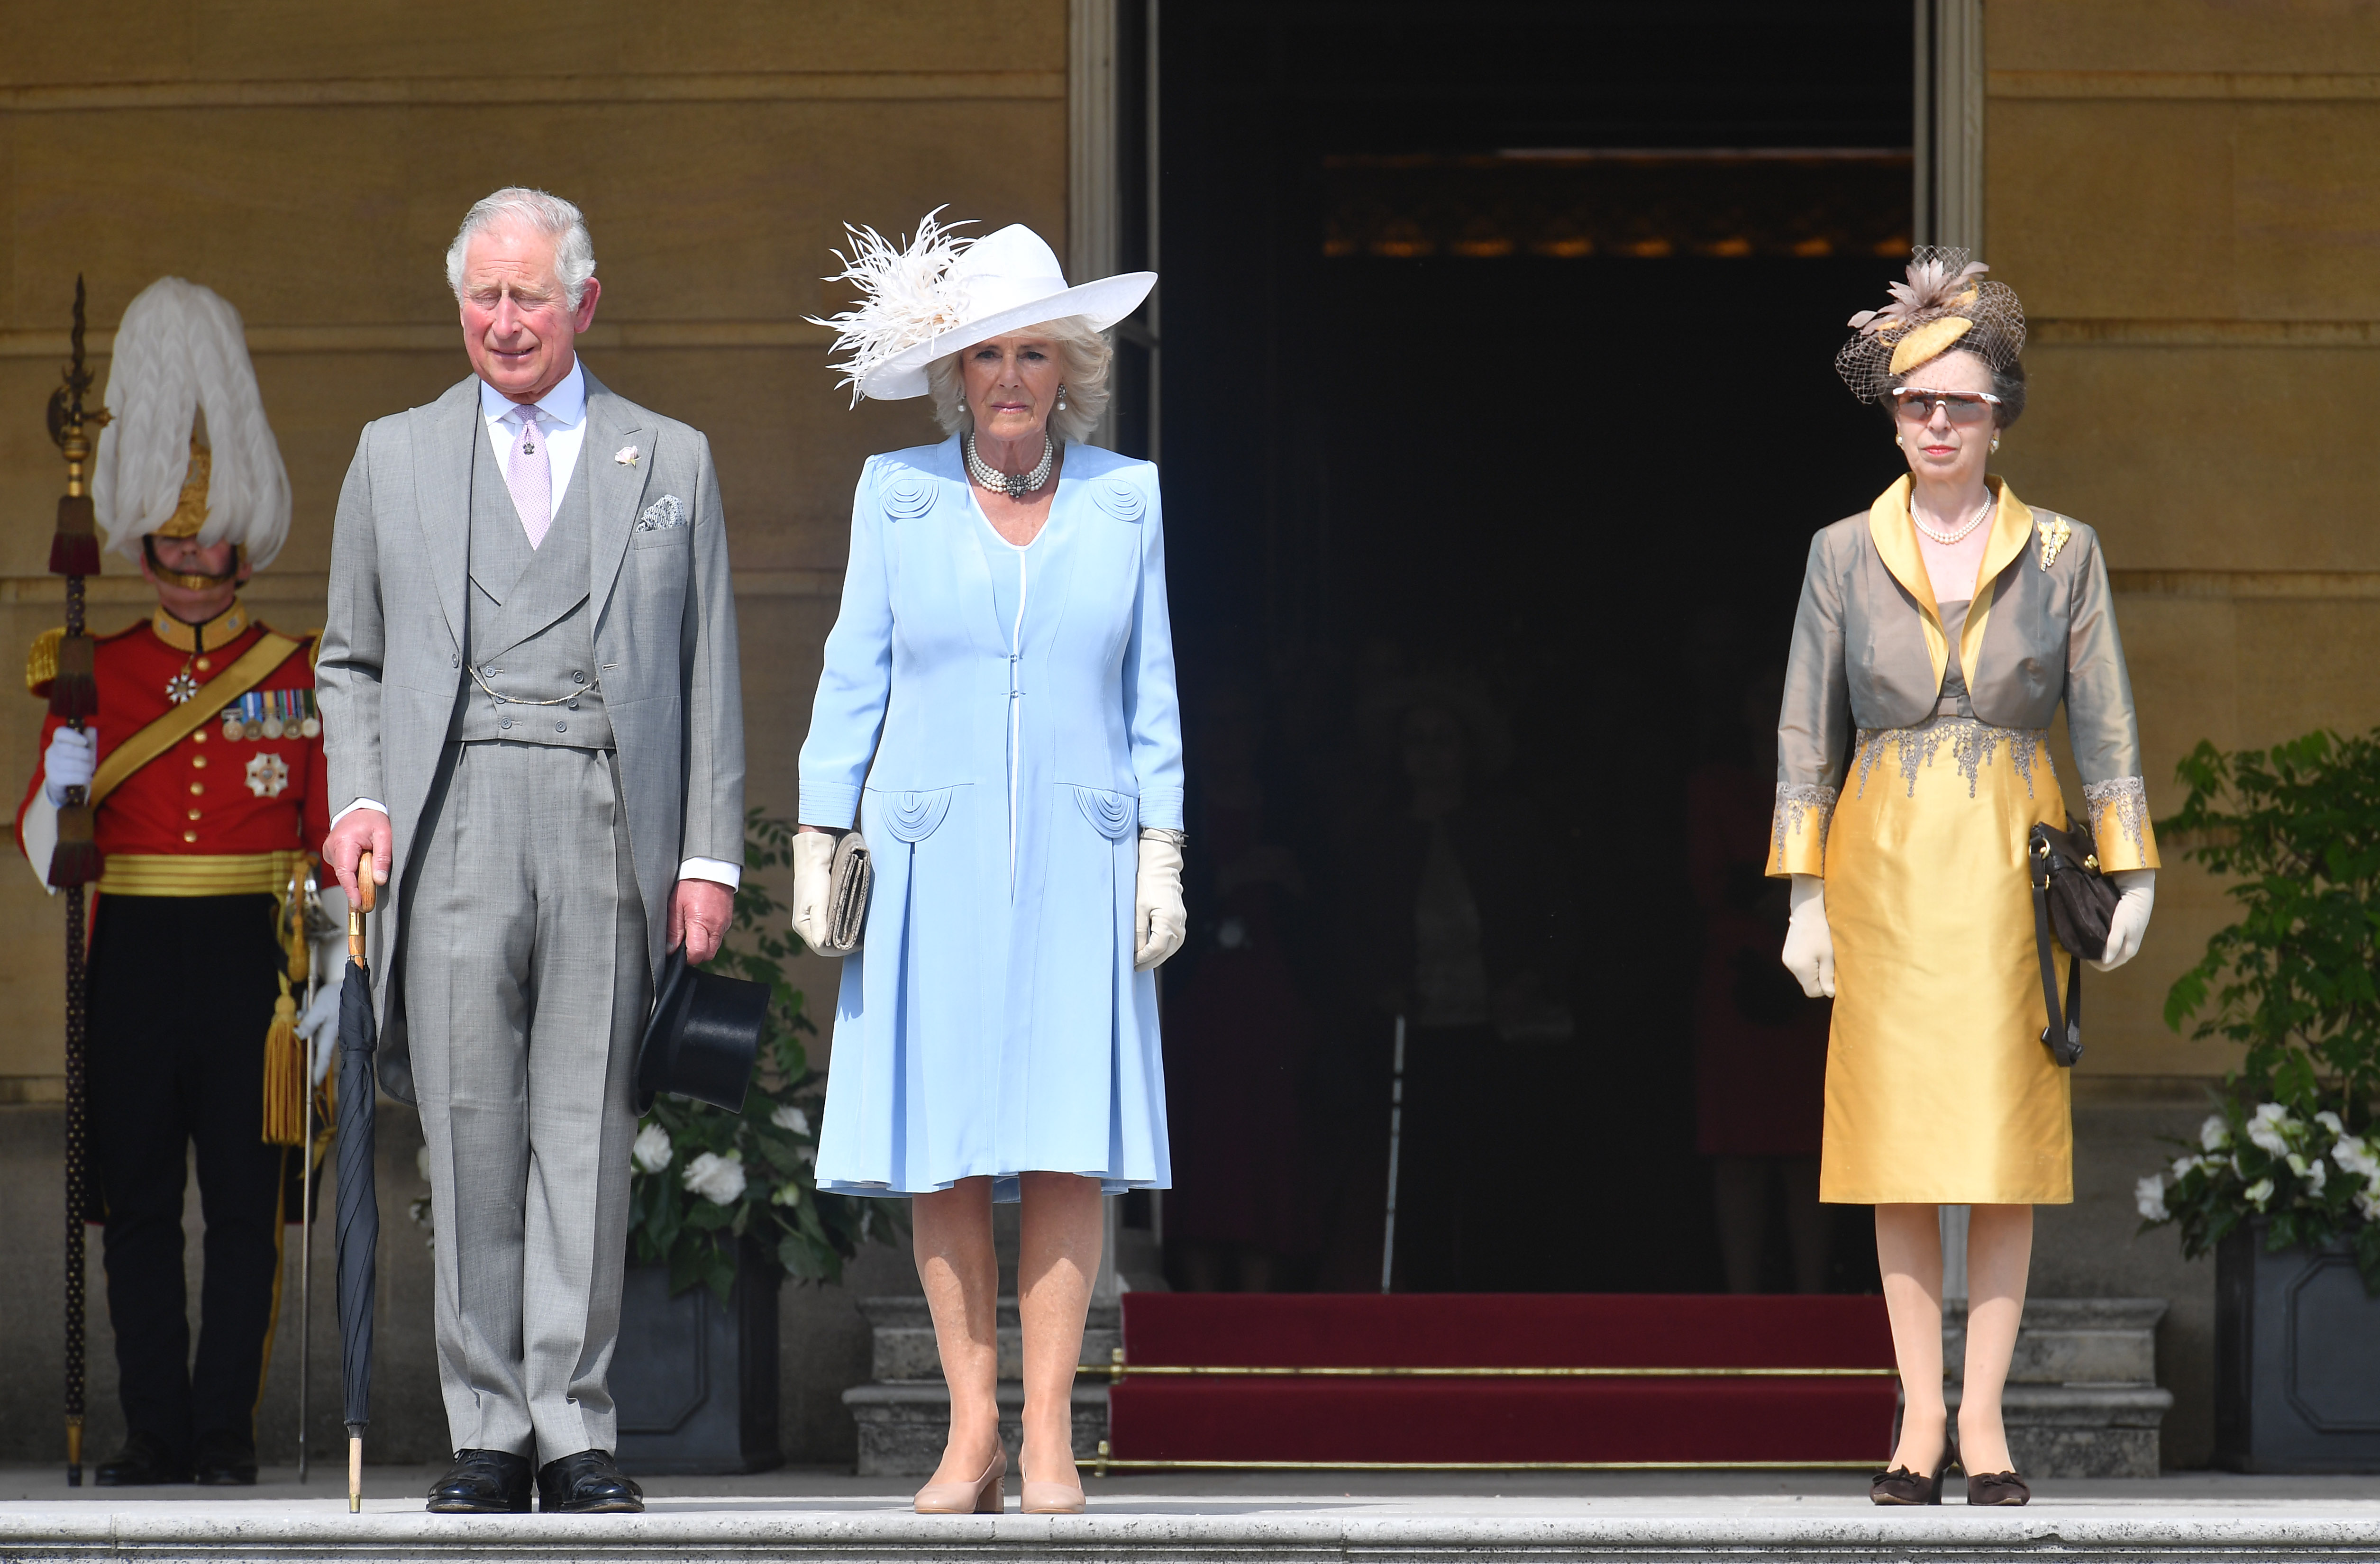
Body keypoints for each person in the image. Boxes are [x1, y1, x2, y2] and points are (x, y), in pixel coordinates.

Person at [316, 188, 744, 1517]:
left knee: (584, 1131)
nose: (504, 322)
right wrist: (359, 796)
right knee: (469, 1130)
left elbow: (707, 668)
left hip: (611, 821)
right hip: (449, 823)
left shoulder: (666, 460)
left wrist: (710, 857)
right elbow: (349, 658)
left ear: (585, 303)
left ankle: (576, 1425)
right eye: (483, 298)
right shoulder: (391, 453)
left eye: (529, 297)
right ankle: (488, 1425)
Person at [792, 214, 1178, 1516]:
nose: (1009, 376)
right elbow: (854, 673)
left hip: (1080, 849)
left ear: (1067, 364)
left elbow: (1152, 692)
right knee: (945, 1147)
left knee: (1069, 1147)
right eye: (983, 355)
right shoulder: (894, 492)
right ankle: (968, 1435)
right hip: (925, 855)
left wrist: (1160, 849)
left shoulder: (1128, 494)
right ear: (951, 374)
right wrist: (815, 827)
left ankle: (1054, 1436)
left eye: (1031, 351)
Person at [1770, 248, 2158, 1507]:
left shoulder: (2062, 551)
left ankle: (1984, 1421)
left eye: (1959, 402)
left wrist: (2129, 867)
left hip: (2009, 860)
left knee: (1998, 1148)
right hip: (1878, 861)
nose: (1934, 423)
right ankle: (1915, 1419)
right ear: (1889, 414)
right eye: (1912, 402)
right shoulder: (1839, 549)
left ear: (1999, 413)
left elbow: (2100, 720)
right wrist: (1800, 896)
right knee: (1893, 1149)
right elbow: (1800, 733)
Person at [14, 277, 324, 1487]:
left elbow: (320, 835)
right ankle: (151, 1431)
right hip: (134, 950)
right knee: (136, 1207)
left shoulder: (295, 670)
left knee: (247, 1211)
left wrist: (338, 969)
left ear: (244, 535)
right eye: (174, 536)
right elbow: (48, 859)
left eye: (213, 533)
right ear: (141, 543)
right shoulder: (89, 666)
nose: (195, 556)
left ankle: (224, 1430)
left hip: (256, 957)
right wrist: (65, 782)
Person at [1688, 664, 1830, 1294]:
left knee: (1809, 1152)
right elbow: (1709, 880)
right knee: (1737, 1149)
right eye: (1761, 694)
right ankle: (1741, 1308)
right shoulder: (1714, 787)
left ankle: (1812, 1300)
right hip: (1738, 985)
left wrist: (1782, 897)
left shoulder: (1835, 786)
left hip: (1813, 982)